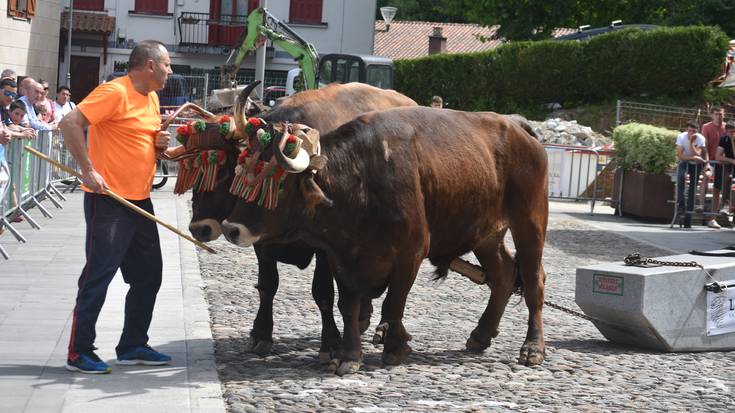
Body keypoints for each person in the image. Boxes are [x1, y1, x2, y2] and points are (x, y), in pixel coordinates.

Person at [60, 40, 175, 374]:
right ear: (149, 65)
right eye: (166, 65)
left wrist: (159, 143)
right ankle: (78, 352)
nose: (170, 71)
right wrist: (88, 169)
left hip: (140, 200)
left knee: (149, 276)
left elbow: (142, 140)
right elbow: (69, 124)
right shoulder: (114, 91)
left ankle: (132, 344)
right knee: (98, 275)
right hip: (107, 201)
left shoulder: (152, 97)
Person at [676, 121, 710, 228]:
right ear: (686, 130)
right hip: (685, 161)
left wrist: (691, 143)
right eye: (690, 131)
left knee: (692, 190)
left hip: (695, 164)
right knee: (681, 176)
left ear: (698, 131)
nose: (691, 133)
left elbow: (701, 153)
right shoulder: (681, 137)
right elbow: (680, 155)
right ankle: (681, 204)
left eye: (694, 131)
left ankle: (688, 220)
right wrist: (692, 158)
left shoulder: (700, 138)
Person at [700, 107, 725, 228]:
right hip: (710, 160)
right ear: (712, 115)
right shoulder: (706, 127)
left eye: (721, 114)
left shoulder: (727, 127)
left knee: (717, 189)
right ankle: (700, 205)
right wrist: (707, 163)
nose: (719, 117)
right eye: (716, 114)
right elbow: (704, 146)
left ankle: (713, 218)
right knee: (706, 177)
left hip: (722, 163)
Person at [714, 121, 735, 217]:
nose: (732, 134)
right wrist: (731, 160)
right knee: (727, 178)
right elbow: (718, 157)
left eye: (734, 131)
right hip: (730, 165)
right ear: (726, 131)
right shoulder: (723, 139)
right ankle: (725, 204)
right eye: (730, 132)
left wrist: (733, 141)